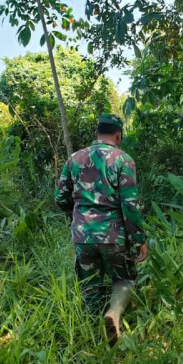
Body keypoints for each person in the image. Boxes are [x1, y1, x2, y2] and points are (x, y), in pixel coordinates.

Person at [54, 113, 149, 345]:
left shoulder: (74, 158)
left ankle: (92, 339)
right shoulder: (123, 160)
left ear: (96, 134)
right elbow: (130, 204)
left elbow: (60, 197)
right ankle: (114, 314)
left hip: (83, 236)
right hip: (114, 235)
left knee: (90, 285)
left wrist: (78, 218)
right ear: (118, 135)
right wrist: (139, 239)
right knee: (124, 278)